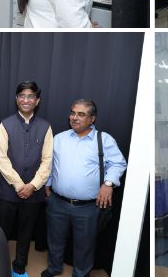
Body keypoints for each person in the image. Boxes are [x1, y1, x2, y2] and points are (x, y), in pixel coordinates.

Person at [42, 99, 127, 277]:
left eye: (81, 114)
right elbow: (49, 165)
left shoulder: (103, 140)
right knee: (55, 239)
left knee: (85, 245)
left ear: (92, 118)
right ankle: (54, 268)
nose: (74, 117)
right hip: (57, 202)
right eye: (72, 113)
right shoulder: (59, 139)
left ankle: (81, 274)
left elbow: (118, 163)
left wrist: (108, 184)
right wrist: (47, 189)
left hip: (87, 207)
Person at [0, 81, 54, 277]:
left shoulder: (45, 126)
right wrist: (20, 185)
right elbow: (1, 158)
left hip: (33, 193)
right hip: (7, 191)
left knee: (26, 231)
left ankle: (20, 265)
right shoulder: (5, 124)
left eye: (30, 96)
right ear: (16, 98)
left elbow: (47, 160)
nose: (26, 100)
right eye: (22, 96)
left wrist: (33, 185)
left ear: (37, 100)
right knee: (1, 232)